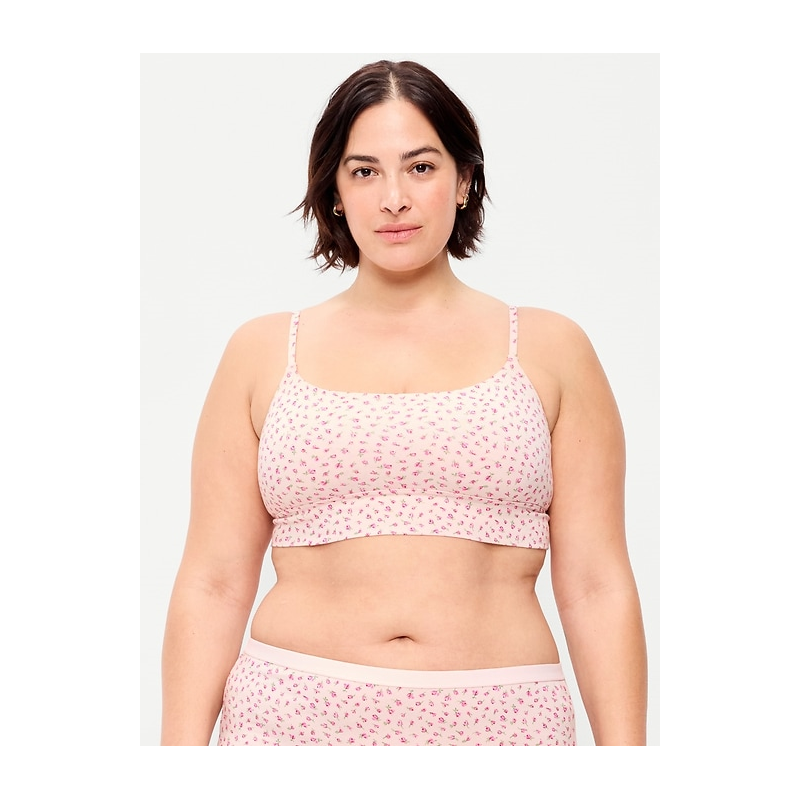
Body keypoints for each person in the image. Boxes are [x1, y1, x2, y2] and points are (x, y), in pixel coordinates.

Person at [160, 58, 648, 746]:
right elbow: (212, 582)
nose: (394, 198)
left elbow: (597, 584)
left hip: (502, 721)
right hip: (290, 716)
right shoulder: (262, 352)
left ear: (464, 180)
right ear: (334, 190)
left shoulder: (551, 350)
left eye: (420, 167)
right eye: (364, 171)